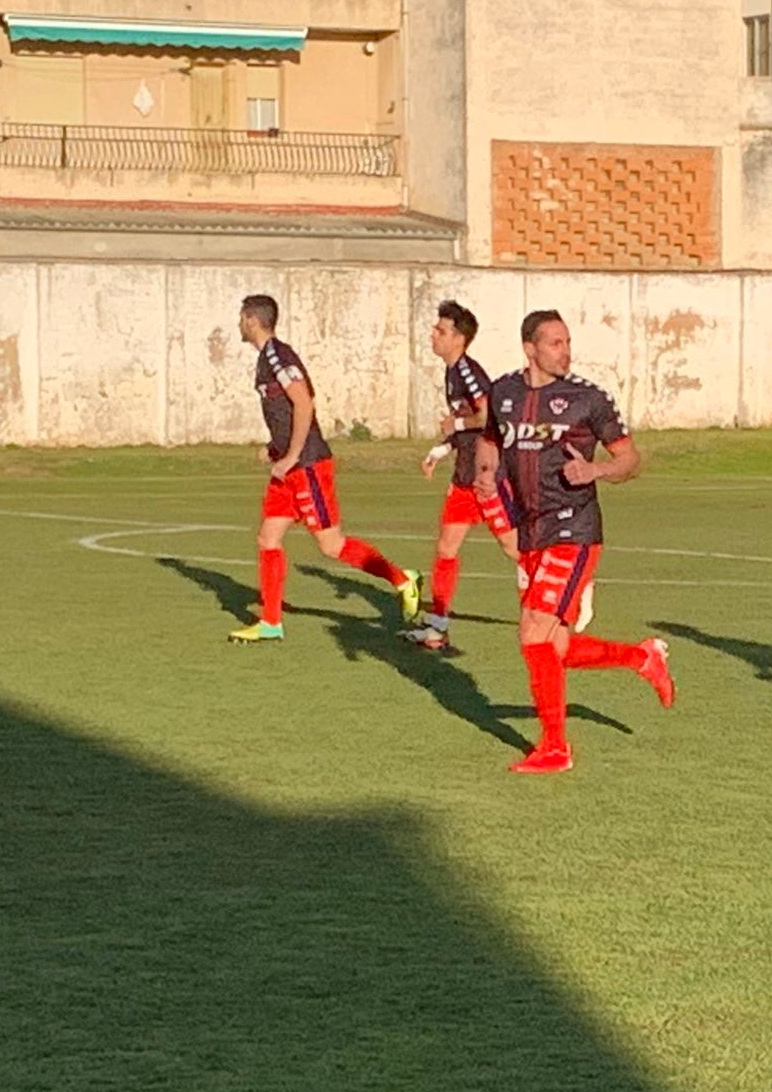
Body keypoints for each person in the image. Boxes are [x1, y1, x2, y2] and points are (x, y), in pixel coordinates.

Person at [478, 310, 674, 773]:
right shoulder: (503, 392)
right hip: (532, 531)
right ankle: (640, 657)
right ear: (530, 348)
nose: (566, 351)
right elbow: (490, 440)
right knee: (555, 648)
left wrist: (594, 471)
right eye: (555, 343)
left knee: (532, 634)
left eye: (568, 342)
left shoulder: (588, 399)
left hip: (575, 528)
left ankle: (555, 748)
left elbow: (629, 459)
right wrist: (487, 472)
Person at [228, 295, 418, 644]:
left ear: (252, 320)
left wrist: (291, 455)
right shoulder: (265, 359)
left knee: (331, 545)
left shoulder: (277, 355)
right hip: (287, 468)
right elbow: (286, 412)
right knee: (268, 538)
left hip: (308, 465)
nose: (238, 323)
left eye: (241, 317)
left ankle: (403, 580)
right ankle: (271, 622)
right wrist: (275, 450)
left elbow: (303, 402)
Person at [402, 300, 522, 652]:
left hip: (486, 477)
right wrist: (441, 449)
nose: (433, 335)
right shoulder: (452, 371)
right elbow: (466, 424)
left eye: (441, 330)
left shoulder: (468, 372)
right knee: (446, 547)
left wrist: (454, 424)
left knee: (514, 548)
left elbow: (488, 417)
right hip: (464, 476)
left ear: (459, 338)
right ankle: (437, 626)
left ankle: (567, 590)